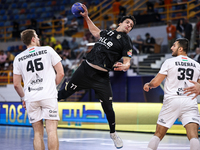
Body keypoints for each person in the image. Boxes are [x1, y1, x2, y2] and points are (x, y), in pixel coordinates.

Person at [58, 4, 136, 149]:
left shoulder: (126, 41)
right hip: (84, 70)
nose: (129, 26)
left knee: (108, 108)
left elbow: (127, 62)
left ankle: (113, 134)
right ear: (120, 23)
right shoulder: (107, 33)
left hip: (101, 77)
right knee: (63, 94)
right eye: (127, 22)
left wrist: (125, 66)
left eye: (131, 25)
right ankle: (41, 106)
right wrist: (86, 16)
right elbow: (95, 31)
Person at [143, 38, 200, 150]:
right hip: (190, 102)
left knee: (158, 134)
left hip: (172, 101)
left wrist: (148, 84)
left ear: (180, 48)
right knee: (194, 136)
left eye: (174, 45)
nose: (171, 48)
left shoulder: (169, 62)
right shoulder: (197, 65)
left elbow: (156, 82)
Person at [13, 29, 64, 150]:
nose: (38, 39)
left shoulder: (18, 58)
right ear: (33, 39)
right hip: (48, 95)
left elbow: (16, 84)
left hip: (31, 97)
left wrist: (23, 98)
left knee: (37, 133)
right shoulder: (47, 50)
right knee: (51, 131)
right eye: (37, 36)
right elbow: (61, 73)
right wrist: (52, 86)